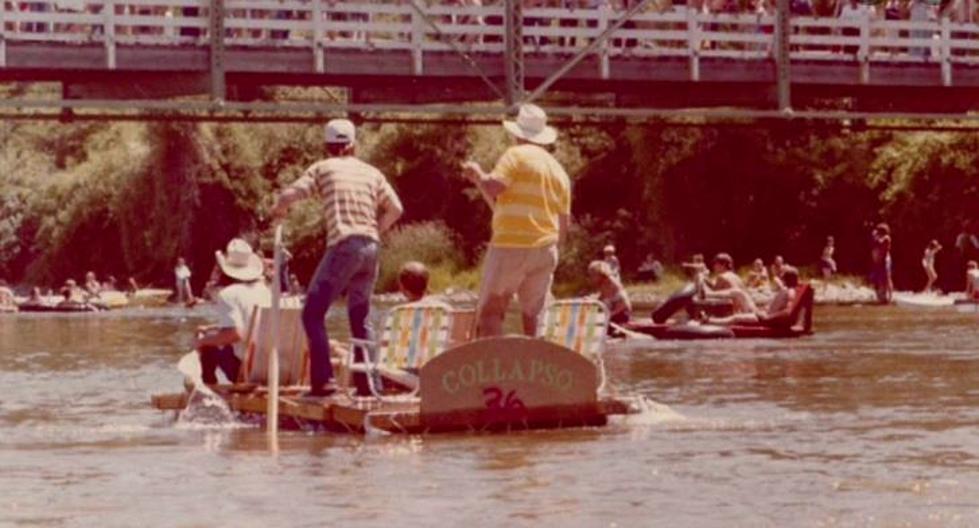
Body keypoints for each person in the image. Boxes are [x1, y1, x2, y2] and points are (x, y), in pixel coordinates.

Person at [272, 119, 404, 397]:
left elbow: (290, 194)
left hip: (344, 246)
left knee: (312, 313)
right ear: (352, 145)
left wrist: (279, 209)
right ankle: (369, 386)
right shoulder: (372, 172)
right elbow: (396, 208)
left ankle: (324, 382)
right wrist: (374, 231)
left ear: (328, 146)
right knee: (361, 317)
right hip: (371, 248)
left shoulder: (323, 168)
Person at [461, 104, 572, 338]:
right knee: (535, 314)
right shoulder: (558, 170)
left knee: (491, 311)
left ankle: (495, 369)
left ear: (517, 134)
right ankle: (538, 367)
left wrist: (478, 174)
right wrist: (554, 250)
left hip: (511, 245)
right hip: (546, 249)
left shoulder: (515, 155)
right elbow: (564, 222)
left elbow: (495, 186)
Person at [194, 238, 271, 385]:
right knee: (211, 336)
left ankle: (209, 388)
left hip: (246, 370)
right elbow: (251, 324)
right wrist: (212, 329)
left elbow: (235, 334)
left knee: (208, 346)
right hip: (272, 367)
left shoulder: (229, 294)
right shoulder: (265, 291)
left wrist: (201, 341)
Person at [709, 266, 801, 326]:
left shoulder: (790, 292)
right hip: (761, 314)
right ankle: (709, 294)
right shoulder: (785, 289)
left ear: (786, 277)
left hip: (764, 321)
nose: (781, 275)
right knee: (739, 293)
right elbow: (776, 306)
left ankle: (709, 321)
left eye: (782, 274)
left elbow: (788, 312)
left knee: (736, 317)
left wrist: (768, 317)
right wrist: (764, 310)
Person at [588, 260, 632, 329]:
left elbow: (624, 304)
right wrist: (592, 299)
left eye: (593, 275)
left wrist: (610, 315)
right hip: (612, 312)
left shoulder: (611, 283)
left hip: (621, 314)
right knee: (592, 316)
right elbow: (602, 297)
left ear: (600, 273)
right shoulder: (602, 284)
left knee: (598, 321)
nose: (591, 277)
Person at [870, 223, 893, 303]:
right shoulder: (878, 238)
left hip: (884, 261)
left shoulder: (886, 238)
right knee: (877, 279)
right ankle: (880, 297)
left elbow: (880, 242)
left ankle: (889, 297)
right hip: (878, 262)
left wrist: (875, 236)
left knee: (886, 278)